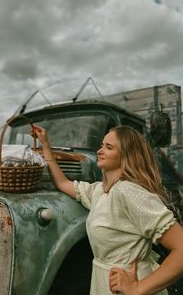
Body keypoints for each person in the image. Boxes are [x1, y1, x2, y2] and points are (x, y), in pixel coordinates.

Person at [31, 124, 183, 295]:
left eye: (108, 147)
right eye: (101, 145)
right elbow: (63, 183)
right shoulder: (100, 191)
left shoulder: (129, 192)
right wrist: (45, 144)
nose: (99, 151)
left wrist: (138, 288)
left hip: (128, 285)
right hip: (104, 281)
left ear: (127, 155)